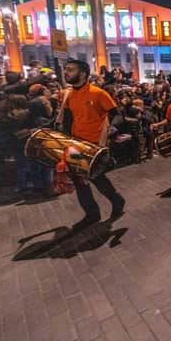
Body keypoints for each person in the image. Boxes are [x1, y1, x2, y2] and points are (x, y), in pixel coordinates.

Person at [61, 60, 125, 227]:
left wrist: (113, 127)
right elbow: (67, 119)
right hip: (76, 144)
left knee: (96, 177)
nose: (65, 72)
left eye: (70, 70)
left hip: (95, 144)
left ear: (82, 74)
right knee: (79, 180)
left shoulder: (98, 93)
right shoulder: (67, 94)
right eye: (65, 69)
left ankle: (116, 200)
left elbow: (117, 114)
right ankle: (92, 214)